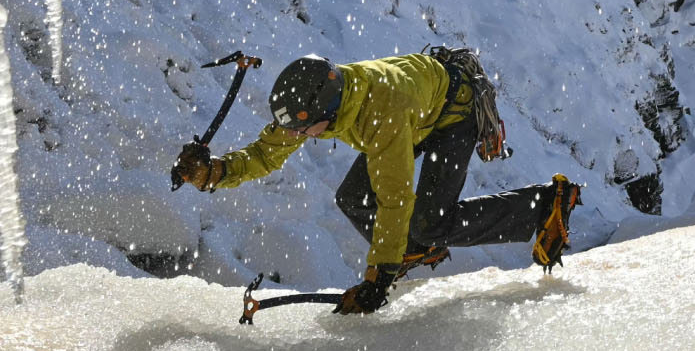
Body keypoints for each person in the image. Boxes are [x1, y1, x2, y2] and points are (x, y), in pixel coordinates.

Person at [173, 47, 581, 314]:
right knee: (351, 198)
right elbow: (267, 152)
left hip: (453, 116)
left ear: (325, 116)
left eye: (305, 130)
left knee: (428, 222)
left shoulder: (379, 113)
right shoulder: (323, 100)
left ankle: (544, 205)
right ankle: (411, 249)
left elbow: (395, 198)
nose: (299, 138)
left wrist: (377, 279)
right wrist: (216, 172)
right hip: (420, 112)